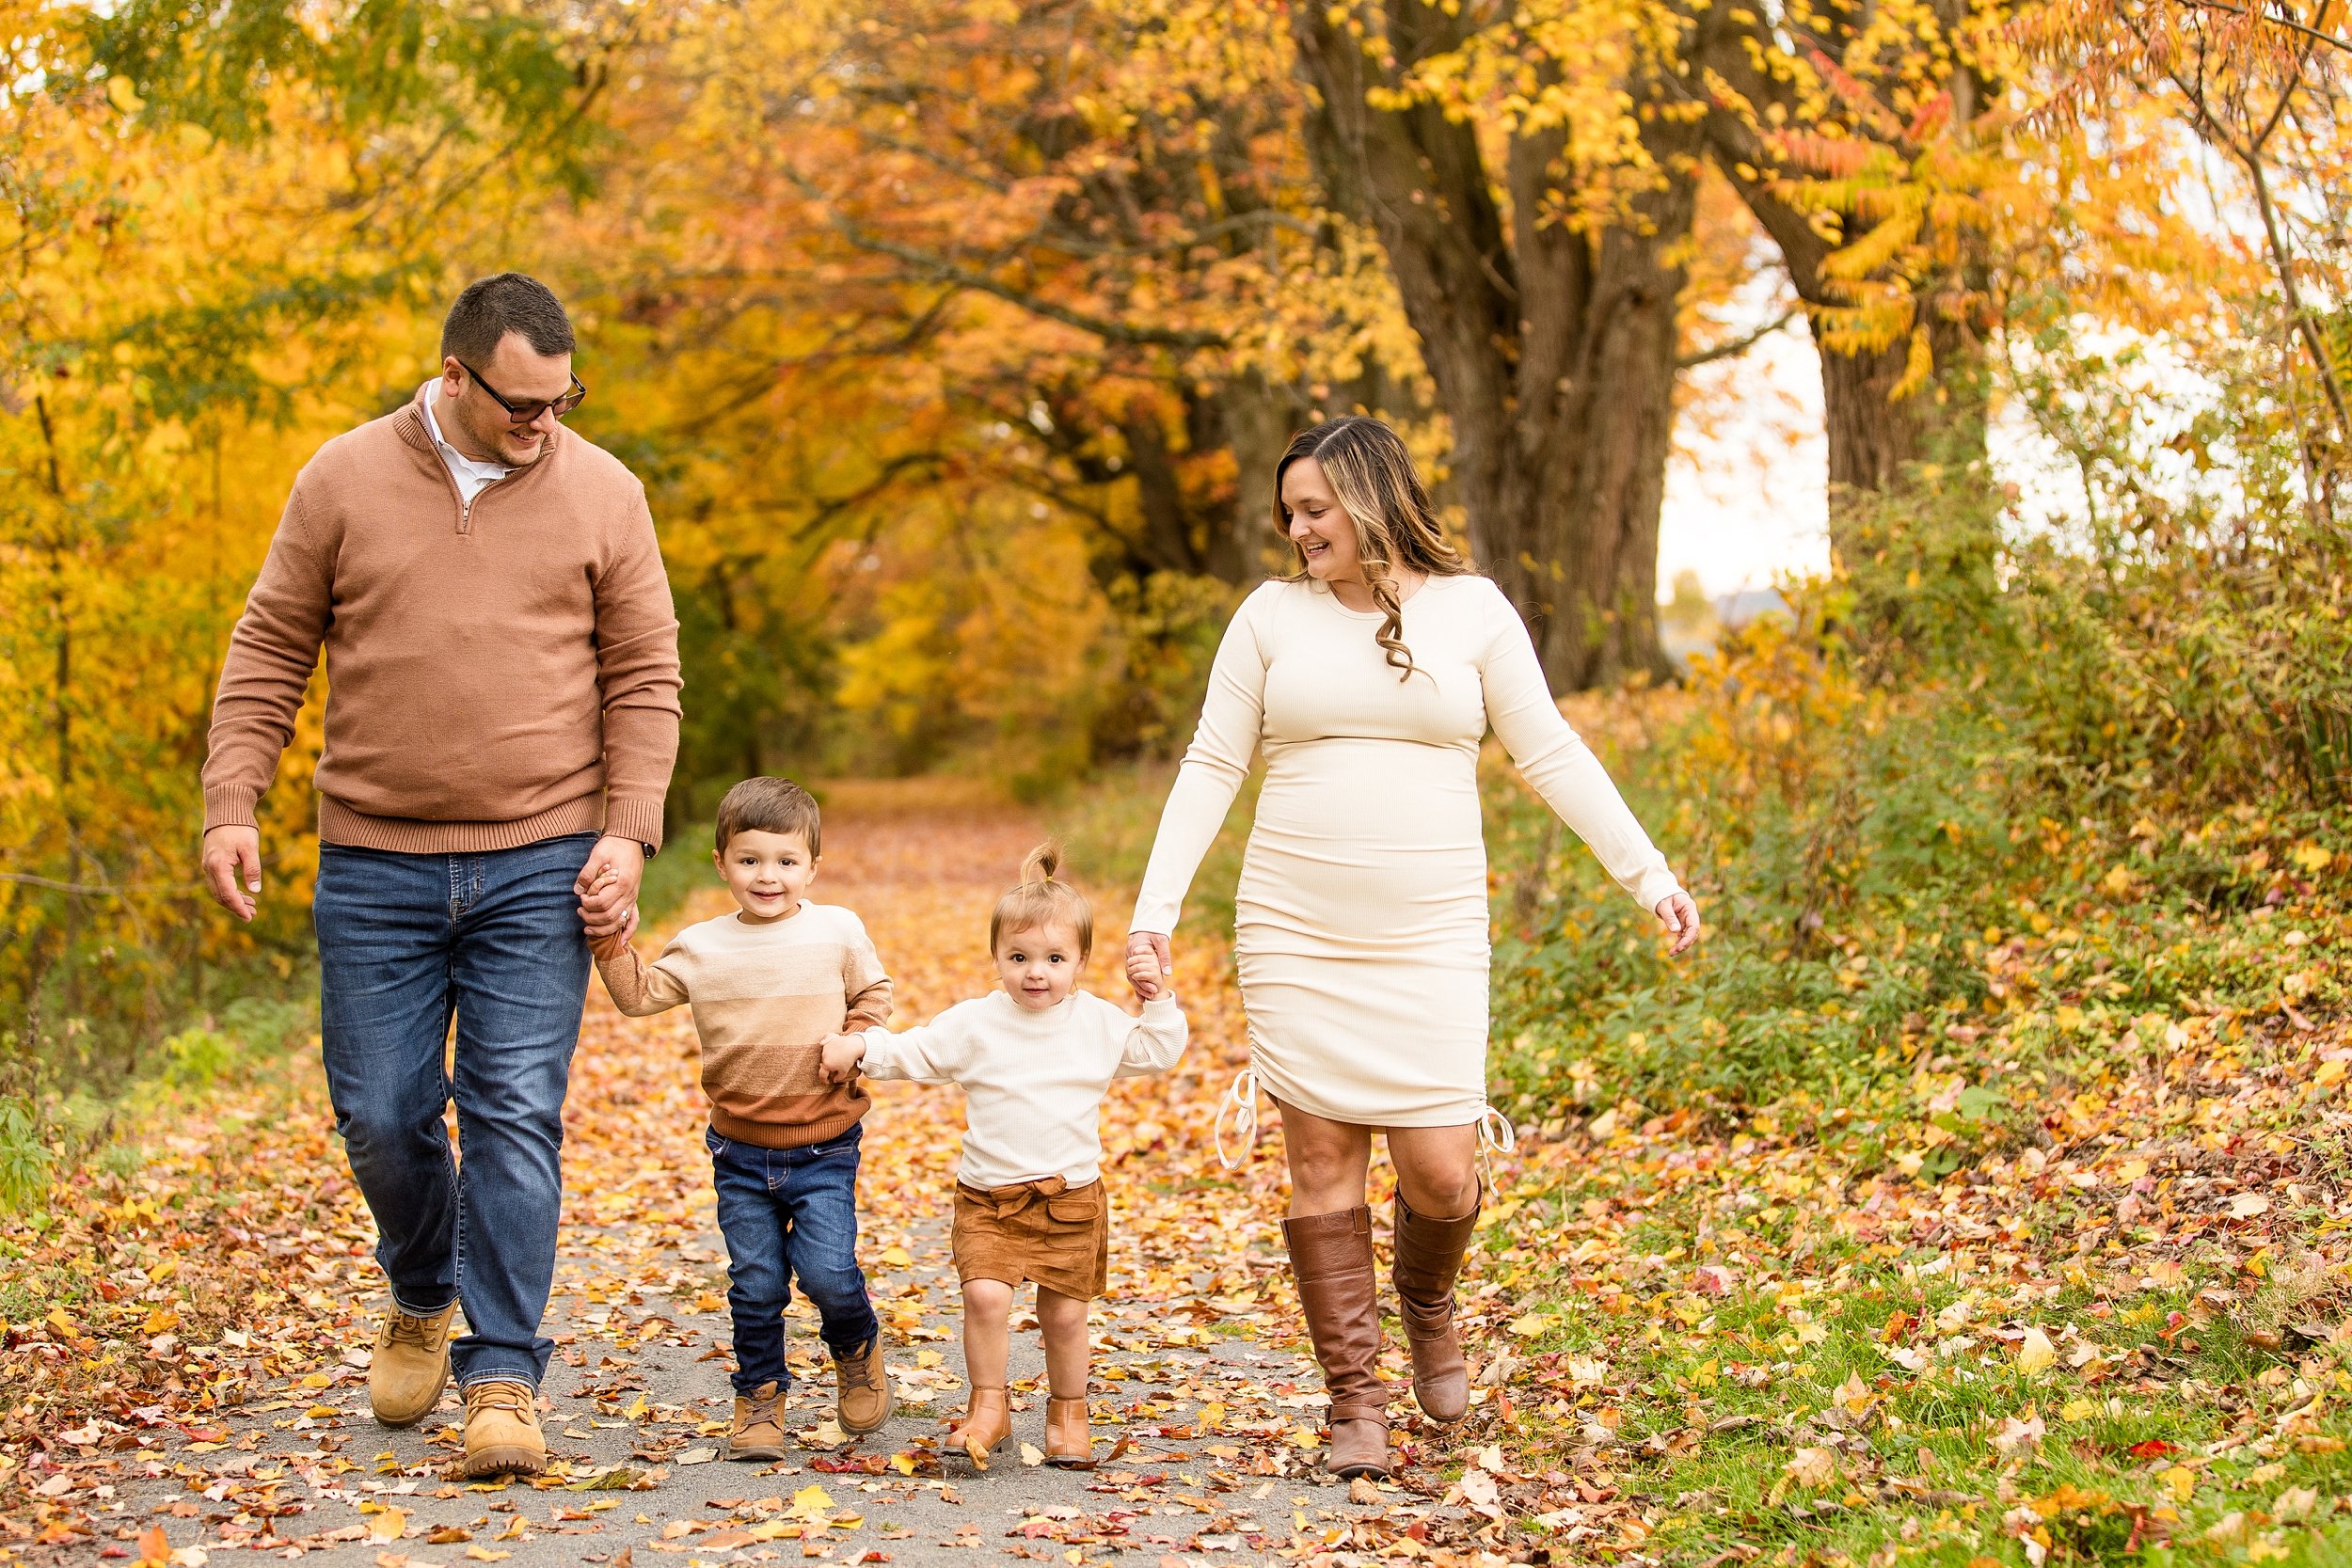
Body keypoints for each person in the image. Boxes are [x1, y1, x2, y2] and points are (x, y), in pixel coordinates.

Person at [1123, 416, 1700, 1480]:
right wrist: (1153, 910)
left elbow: (1552, 751)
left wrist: (1649, 872)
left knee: (1439, 1170)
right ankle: (1356, 1398)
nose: (1297, 530)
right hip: (1294, 924)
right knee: (1320, 1163)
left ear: (1373, 497)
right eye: (1288, 512)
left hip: (1430, 928)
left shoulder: (1474, 612)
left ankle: (1427, 1299)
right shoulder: (1267, 618)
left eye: (1314, 508)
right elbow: (1212, 763)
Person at [198, 273, 681, 1478]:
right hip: (374, 855)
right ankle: (422, 1284)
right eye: (520, 402)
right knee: (383, 1114)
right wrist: (232, 800)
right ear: (456, 376)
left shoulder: (605, 491)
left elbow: (645, 673)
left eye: (561, 399)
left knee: (517, 1107)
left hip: (541, 857)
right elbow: (269, 640)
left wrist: (624, 832)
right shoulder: (344, 477)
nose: (543, 423)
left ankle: (504, 1371)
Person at [819, 846, 1185, 1470]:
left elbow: (1158, 1050)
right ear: (997, 958)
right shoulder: (976, 1023)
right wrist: (859, 1045)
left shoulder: (1096, 1021)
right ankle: (988, 1403)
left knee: (1065, 1314)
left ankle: (1069, 1406)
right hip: (988, 1198)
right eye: (1018, 958)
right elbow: (916, 1050)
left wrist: (1156, 998)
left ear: (1081, 962)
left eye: (1052, 958)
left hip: (1068, 1198)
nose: (1034, 972)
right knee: (987, 1298)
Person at [589, 778, 895, 1461]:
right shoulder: (702, 946)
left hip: (824, 1144)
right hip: (739, 1151)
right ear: (722, 861)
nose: (769, 875)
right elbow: (639, 995)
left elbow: (875, 991)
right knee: (755, 1283)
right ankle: (760, 1393)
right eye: (751, 859)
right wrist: (609, 943)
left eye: (787, 861)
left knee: (826, 1272)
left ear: (812, 865)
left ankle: (855, 1342)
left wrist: (858, 1036)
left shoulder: (836, 929)